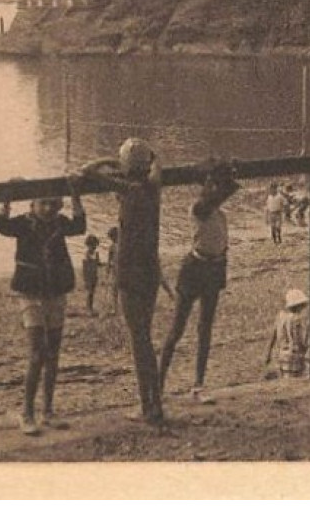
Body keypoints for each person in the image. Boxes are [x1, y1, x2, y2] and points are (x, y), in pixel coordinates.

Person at [79, 138, 167, 425]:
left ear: (127, 168)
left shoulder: (128, 190)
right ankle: (154, 403)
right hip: (150, 270)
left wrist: (108, 158)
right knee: (145, 338)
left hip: (130, 272)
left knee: (138, 340)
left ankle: (148, 407)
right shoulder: (153, 188)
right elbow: (157, 163)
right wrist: (140, 159)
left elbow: (87, 170)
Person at [0, 179, 86, 435]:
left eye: (51, 204)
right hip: (30, 293)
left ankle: (48, 411)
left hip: (56, 292)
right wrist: (7, 197)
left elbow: (80, 225)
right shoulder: (24, 223)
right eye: (41, 203)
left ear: (57, 206)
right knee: (37, 353)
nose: (47, 209)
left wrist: (75, 195)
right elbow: (0, 225)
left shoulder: (59, 223)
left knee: (54, 353)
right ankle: (27, 413)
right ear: (32, 204)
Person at [158, 162, 240, 403]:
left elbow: (225, 192)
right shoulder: (196, 209)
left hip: (214, 269)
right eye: (211, 186)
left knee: (205, 329)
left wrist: (224, 173)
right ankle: (159, 383)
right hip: (194, 268)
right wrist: (215, 178)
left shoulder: (220, 215)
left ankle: (198, 386)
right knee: (177, 329)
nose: (216, 191)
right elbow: (222, 193)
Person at [265, 288, 310, 379]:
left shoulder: (280, 317)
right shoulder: (296, 319)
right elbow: (299, 339)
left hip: (282, 355)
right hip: (294, 355)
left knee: (285, 379)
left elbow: (272, 336)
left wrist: (268, 354)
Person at [80, 234, 102, 315]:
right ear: (88, 245)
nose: (94, 247)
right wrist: (85, 277)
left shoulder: (96, 254)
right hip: (88, 276)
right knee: (89, 292)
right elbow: (85, 267)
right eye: (92, 245)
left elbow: (98, 263)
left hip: (94, 275)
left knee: (92, 292)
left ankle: (90, 307)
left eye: (95, 245)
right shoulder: (86, 254)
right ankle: (88, 308)